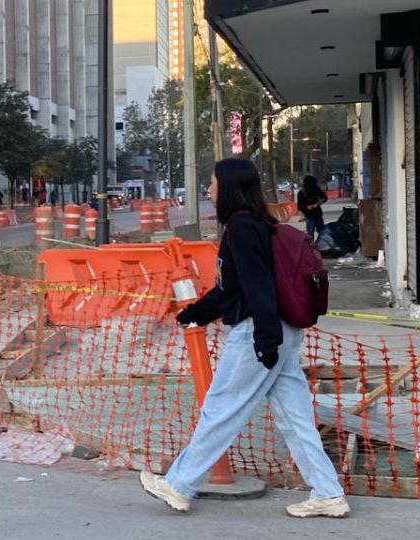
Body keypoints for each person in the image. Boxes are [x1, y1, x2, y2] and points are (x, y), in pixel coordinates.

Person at [140, 158, 349, 519]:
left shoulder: (240, 228)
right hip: (281, 331)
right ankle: (329, 493)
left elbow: (258, 288)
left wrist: (265, 340)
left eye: (212, 182)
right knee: (295, 419)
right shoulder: (258, 225)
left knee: (221, 408)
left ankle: (179, 484)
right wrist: (194, 314)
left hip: (259, 331)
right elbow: (229, 290)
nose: (209, 189)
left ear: (230, 187)